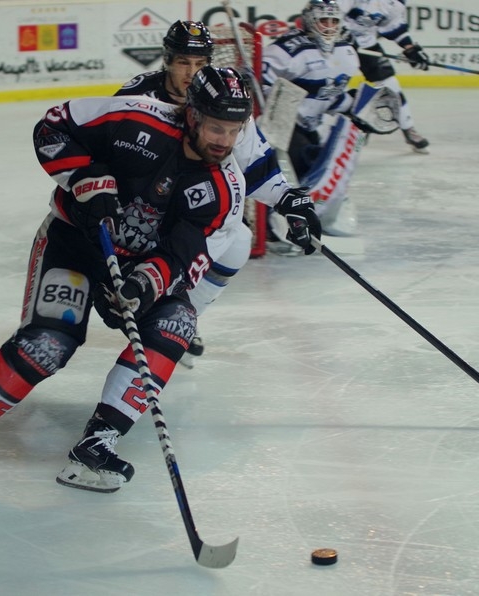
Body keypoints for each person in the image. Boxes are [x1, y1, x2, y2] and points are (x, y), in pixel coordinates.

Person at [0, 66, 319, 493]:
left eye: (234, 130)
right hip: (73, 245)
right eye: (216, 127)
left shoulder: (224, 189)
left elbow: (182, 255)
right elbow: (53, 126)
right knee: (50, 343)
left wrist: (144, 284)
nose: (224, 140)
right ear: (194, 116)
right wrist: (82, 177)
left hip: (134, 266)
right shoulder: (135, 118)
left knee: (177, 324)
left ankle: (95, 444)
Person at [117, 20, 322, 366]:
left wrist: (289, 200)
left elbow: (255, 163)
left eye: (200, 64)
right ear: (167, 60)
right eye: (183, 62)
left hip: (188, 211)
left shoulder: (222, 98)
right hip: (136, 213)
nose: (191, 73)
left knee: (239, 237)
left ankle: (180, 316)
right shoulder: (137, 97)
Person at [262, 0, 375, 235]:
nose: (329, 26)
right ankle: (274, 225)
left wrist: (356, 107)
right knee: (288, 174)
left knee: (316, 172)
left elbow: (330, 96)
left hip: (311, 126)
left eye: (334, 21)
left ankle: (302, 216)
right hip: (283, 126)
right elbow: (261, 83)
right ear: (310, 20)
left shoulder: (346, 52)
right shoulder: (287, 49)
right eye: (324, 20)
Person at [337, 0, 430, 152]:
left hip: (366, 44)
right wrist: (340, 31)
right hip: (335, 44)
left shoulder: (395, 2)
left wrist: (410, 48)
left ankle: (408, 128)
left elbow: (393, 25)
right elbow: (330, 11)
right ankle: (332, 133)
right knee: (333, 86)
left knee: (390, 85)